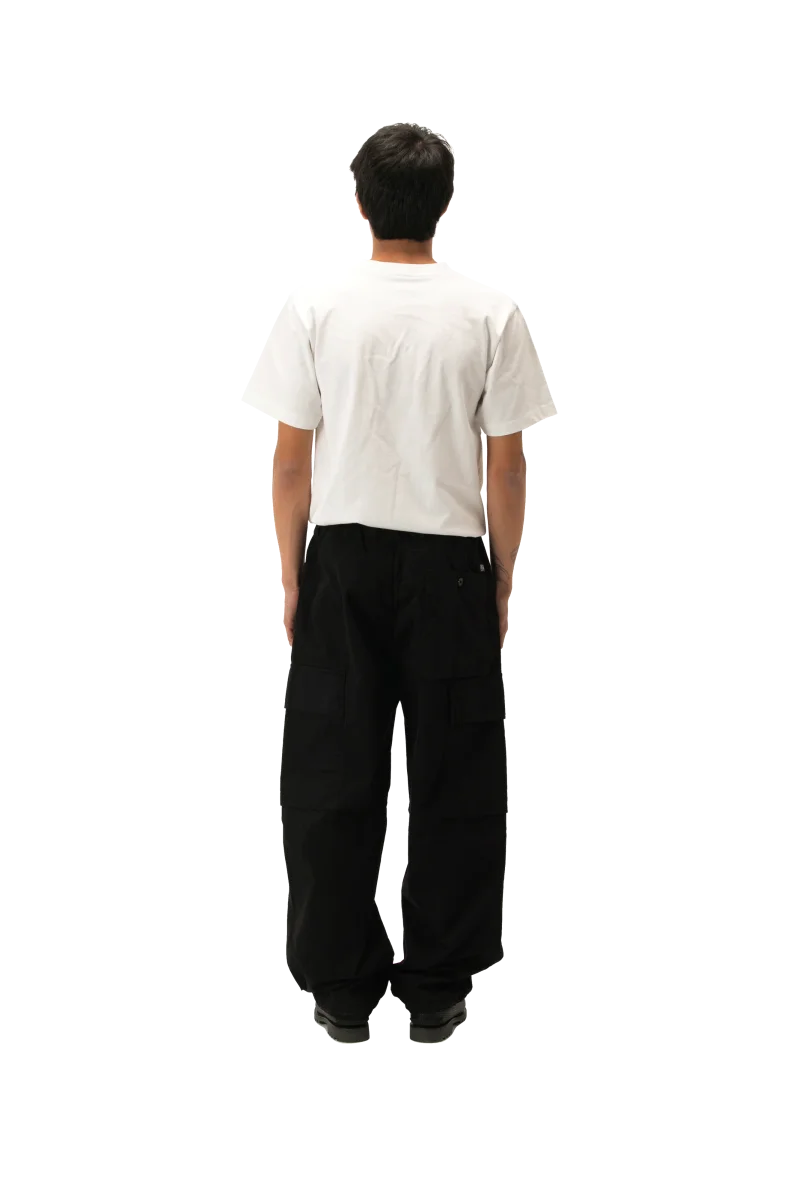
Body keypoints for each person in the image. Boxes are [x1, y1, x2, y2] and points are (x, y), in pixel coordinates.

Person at [247, 122, 557, 1044]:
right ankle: (435, 991)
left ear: (358, 199)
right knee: (457, 771)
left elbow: (291, 460)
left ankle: (341, 993)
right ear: (446, 202)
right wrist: (501, 579)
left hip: (339, 559)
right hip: (449, 565)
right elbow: (507, 467)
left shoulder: (314, 306)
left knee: (328, 771)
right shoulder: (490, 311)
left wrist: (292, 575)